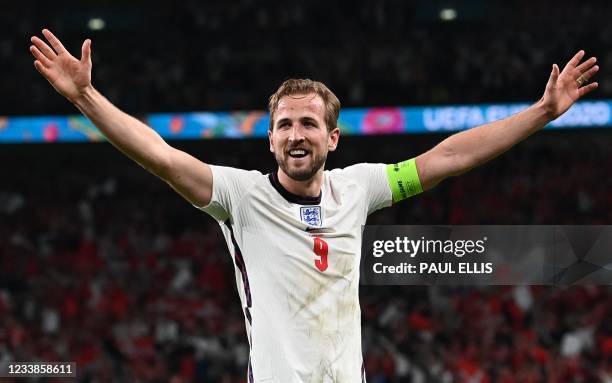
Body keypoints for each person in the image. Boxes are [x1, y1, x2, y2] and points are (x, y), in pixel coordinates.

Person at [29, 28, 598, 382]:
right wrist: (85, 96)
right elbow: (160, 155)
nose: (295, 133)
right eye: (284, 125)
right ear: (270, 141)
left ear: (332, 138)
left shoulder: (360, 189)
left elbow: (449, 156)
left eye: (308, 122)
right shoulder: (241, 199)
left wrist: (541, 113)